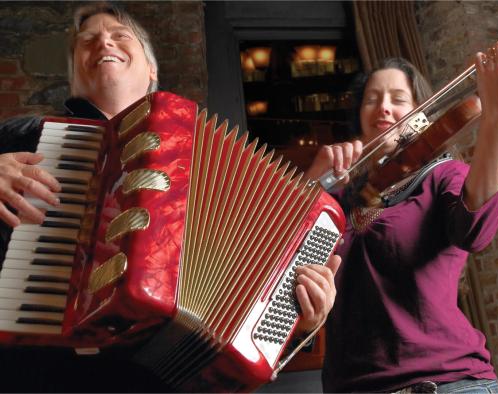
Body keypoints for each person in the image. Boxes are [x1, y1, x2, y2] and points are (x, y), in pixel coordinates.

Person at [0, 3, 339, 391]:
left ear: (151, 71)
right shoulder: (23, 138)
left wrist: (300, 317)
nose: (104, 41)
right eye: (87, 41)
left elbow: (252, 313)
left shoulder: (204, 164)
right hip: (41, 376)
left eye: (119, 35)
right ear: (74, 76)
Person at [303, 49, 498, 392]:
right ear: (358, 117)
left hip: (444, 383)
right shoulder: (336, 197)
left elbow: (476, 232)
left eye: (398, 99)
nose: (383, 107)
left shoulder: (443, 176)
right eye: (372, 100)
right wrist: (311, 188)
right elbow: (280, 271)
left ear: (420, 115)